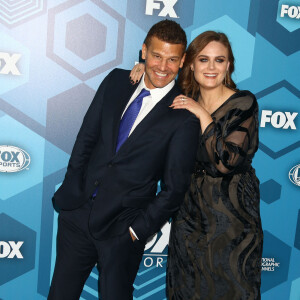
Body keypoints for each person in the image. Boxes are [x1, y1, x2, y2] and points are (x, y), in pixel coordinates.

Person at [48, 20, 200, 300]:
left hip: (122, 229)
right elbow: (85, 140)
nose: (163, 67)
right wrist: (73, 190)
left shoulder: (184, 116)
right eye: (156, 55)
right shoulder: (117, 80)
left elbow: (174, 189)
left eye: (172, 59)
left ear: (182, 62)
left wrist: (136, 231)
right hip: (77, 215)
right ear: (144, 51)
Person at [130, 31, 263, 299]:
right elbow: (155, 86)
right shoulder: (180, 99)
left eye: (219, 60)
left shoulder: (243, 102)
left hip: (232, 220)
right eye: (203, 59)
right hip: (189, 216)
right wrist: (144, 69)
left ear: (229, 65)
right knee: (186, 289)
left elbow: (226, 162)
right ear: (190, 64)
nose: (211, 67)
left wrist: (202, 113)